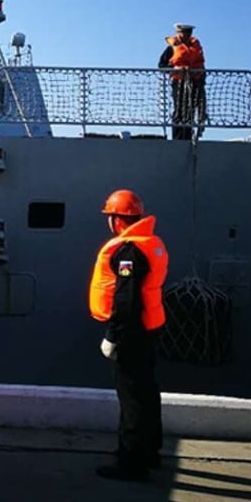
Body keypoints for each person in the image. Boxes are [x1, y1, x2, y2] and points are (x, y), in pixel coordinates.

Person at [89, 189, 168, 481]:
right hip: (148, 328)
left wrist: (113, 336)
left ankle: (131, 462)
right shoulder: (151, 243)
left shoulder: (128, 251)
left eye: (110, 217)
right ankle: (150, 452)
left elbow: (126, 300)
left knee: (132, 398)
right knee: (147, 392)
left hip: (131, 333)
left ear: (117, 220)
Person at [158, 23, 206, 141]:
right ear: (178, 33)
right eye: (184, 32)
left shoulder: (196, 48)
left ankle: (189, 137)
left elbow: (201, 64)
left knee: (191, 110)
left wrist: (200, 76)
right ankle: (178, 139)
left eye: (189, 33)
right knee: (179, 110)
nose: (187, 35)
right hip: (179, 82)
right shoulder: (172, 48)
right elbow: (161, 65)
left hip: (195, 82)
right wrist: (175, 69)